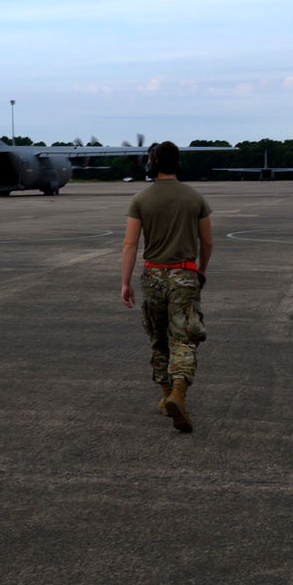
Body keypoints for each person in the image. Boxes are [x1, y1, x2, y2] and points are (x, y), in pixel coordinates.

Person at [121, 141, 212, 433]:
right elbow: (206, 242)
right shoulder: (195, 198)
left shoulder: (140, 199)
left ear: (152, 166)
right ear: (178, 165)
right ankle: (178, 394)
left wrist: (125, 282)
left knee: (158, 338)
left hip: (152, 276)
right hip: (184, 276)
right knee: (184, 338)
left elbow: (131, 244)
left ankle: (165, 398)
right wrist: (202, 271)